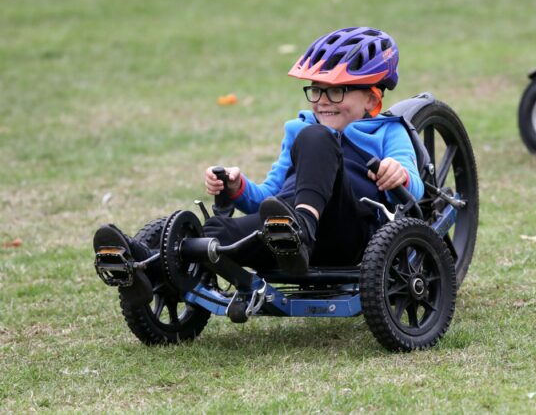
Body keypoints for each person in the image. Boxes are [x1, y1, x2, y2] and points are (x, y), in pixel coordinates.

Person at [93, 26, 424, 313]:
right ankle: (142, 265)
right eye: (316, 89)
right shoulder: (300, 128)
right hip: (283, 236)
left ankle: (302, 230)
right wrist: (238, 187)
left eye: (336, 91)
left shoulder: (387, 130)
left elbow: (416, 190)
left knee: (317, 138)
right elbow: (269, 198)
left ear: (370, 98)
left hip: (346, 233)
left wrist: (399, 173)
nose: (322, 100)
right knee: (216, 236)